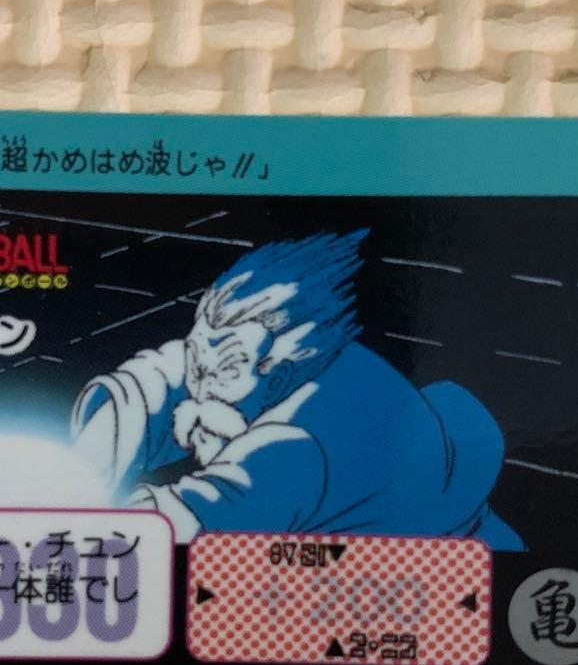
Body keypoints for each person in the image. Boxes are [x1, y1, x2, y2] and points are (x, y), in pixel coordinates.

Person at [71, 230, 523, 550]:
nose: (199, 382)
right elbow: (178, 369)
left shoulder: (295, 447)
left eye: (225, 368)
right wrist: (93, 453)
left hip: (421, 594)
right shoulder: (302, 355)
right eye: (196, 357)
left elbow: (167, 530)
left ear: (282, 371)